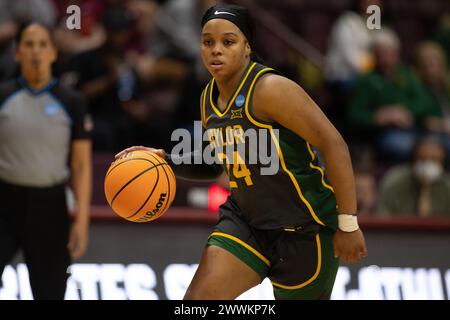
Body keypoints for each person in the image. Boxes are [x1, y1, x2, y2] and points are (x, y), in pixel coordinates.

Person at [116, 4, 367, 300]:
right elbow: (215, 163)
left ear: (247, 47)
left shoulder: (270, 88)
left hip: (304, 227)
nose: (216, 50)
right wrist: (166, 162)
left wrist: (348, 223)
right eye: (208, 42)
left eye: (228, 42)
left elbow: (334, 144)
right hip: (246, 221)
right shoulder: (208, 98)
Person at [0, 22, 92, 299]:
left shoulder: (72, 101)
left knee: (51, 292)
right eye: (28, 44)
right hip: (3, 204)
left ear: (53, 52)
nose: (35, 51)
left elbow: (81, 165)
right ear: (17, 53)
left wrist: (82, 221)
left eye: (42, 44)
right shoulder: (3, 96)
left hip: (50, 207)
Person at [377, 136, 450, 217]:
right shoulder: (394, 181)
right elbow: (383, 215)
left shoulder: (448, 186)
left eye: (434, 160)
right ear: (413, 159)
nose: (427, 166)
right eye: (422, 159)